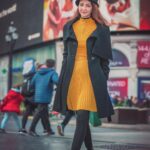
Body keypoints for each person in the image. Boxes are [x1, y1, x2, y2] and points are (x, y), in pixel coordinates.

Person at [53, 0, 114, 149]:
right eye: (81, 5)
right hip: (72, 76)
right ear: (78, 6)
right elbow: (66, 55)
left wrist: (102, 78)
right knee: (82, 117)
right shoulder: (69, 26)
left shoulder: (102, 28)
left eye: (87, 5)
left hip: (91, 77)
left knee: (82, 115)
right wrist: (62, 78)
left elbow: (105, 60)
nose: (84, 8)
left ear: (93, 7)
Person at [29, 59, 59, 136]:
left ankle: (48, 129)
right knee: (39, 113)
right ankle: (31, 130)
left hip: (38, 95)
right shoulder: (52, 73)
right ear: (53, 65)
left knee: (45, 113)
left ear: (46, 64)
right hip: (45, 96)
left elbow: (32, 84)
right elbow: (57, 81)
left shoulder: (37, 73)